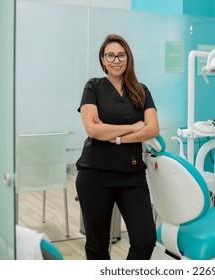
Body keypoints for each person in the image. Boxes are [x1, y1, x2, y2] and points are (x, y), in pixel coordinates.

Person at [75, 34, 160, 260]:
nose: (116, 60)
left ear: (128, 58)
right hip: (95, 174)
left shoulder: (141, 91)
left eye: (121, 55)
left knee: (145, 240)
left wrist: (117, 137)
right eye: (110, 55)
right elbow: (93, 130)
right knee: (97, 246)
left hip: (131, 175)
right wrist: (133, 127)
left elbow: (152, 129)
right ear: (103, 60)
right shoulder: (93, 86)